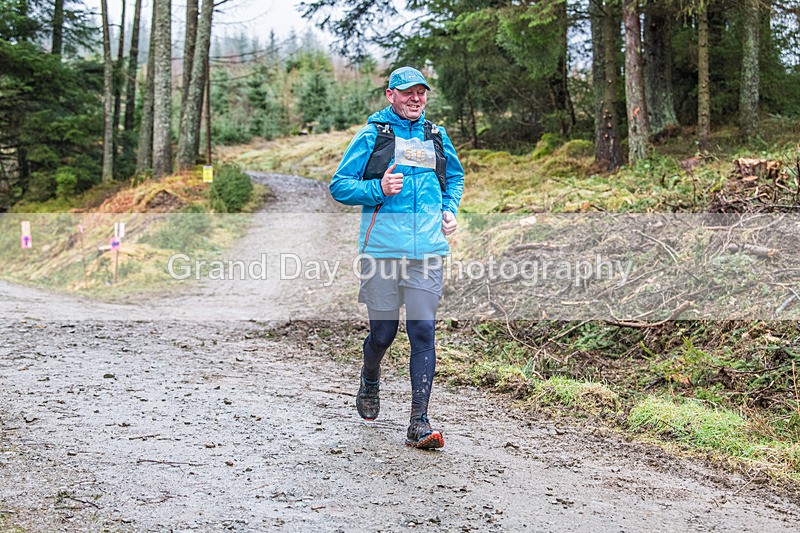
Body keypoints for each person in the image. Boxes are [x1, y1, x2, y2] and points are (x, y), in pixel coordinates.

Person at [329, 66, 464, 449]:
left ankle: (419, 422)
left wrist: (449, 209)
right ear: (391, 95)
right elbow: (339, 185)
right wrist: (378, 187)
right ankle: (370, 376)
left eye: (421, 93)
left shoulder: (435, 135)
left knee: (422, 330)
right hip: (382, 252)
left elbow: (453, 177)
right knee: (384, 333)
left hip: (427, 253)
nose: (416, 99)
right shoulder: (373, 135)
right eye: (407, 93)